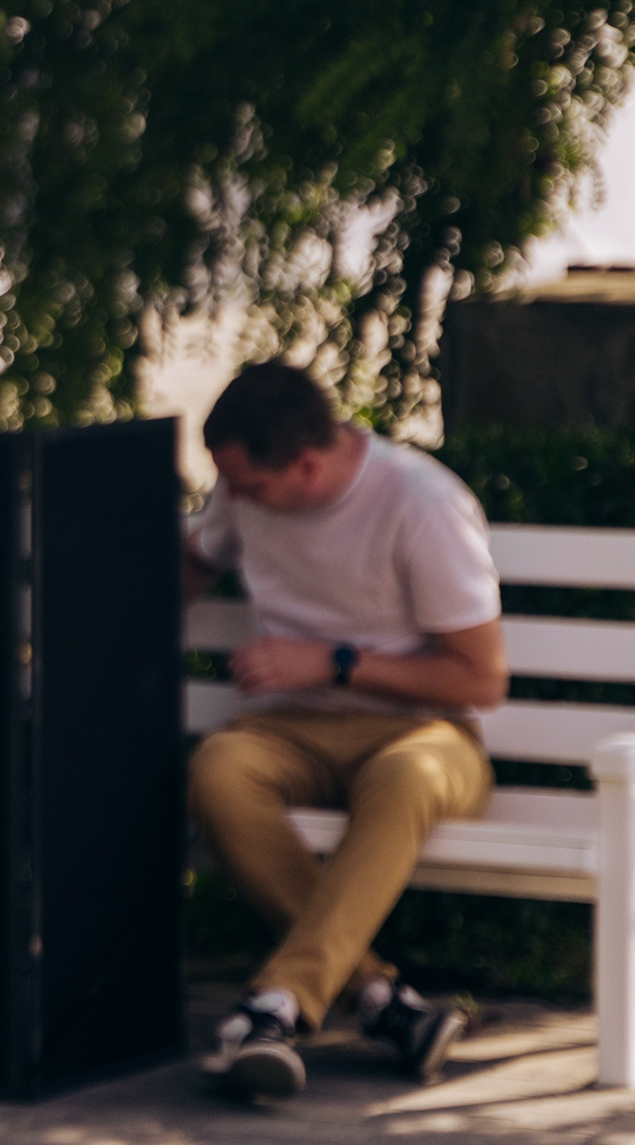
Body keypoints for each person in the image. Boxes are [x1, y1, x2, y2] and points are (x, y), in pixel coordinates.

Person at [184, 361, 510, 1099]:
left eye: (248, 486)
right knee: (218, 770)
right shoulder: (245, 492)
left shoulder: (420, 501)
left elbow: (480, 680)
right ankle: (380, 999)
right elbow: (195, 557)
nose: (232, 499)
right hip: (291, 731)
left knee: (407, 776)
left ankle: (279, 1001)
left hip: (426, 735)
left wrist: (332, 662)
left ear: (305, 465)